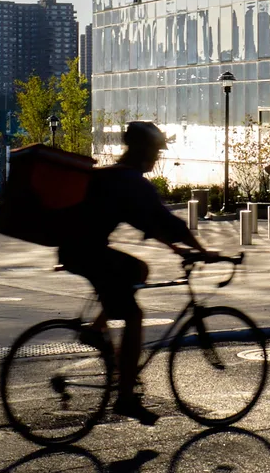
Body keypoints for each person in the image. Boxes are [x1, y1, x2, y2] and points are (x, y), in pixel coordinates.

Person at [58, 121, 208, 426]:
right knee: (134, 316)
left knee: (137, 268)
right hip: (87, 252)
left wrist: (175, 248)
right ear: (142, 151)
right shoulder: (130, 181)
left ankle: (97, 328)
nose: (157, 158)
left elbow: (146, 221)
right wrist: (203, 250)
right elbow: (165, 220)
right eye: (155, 151)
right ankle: (125, 398)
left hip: (78, 249)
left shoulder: (119, 176)